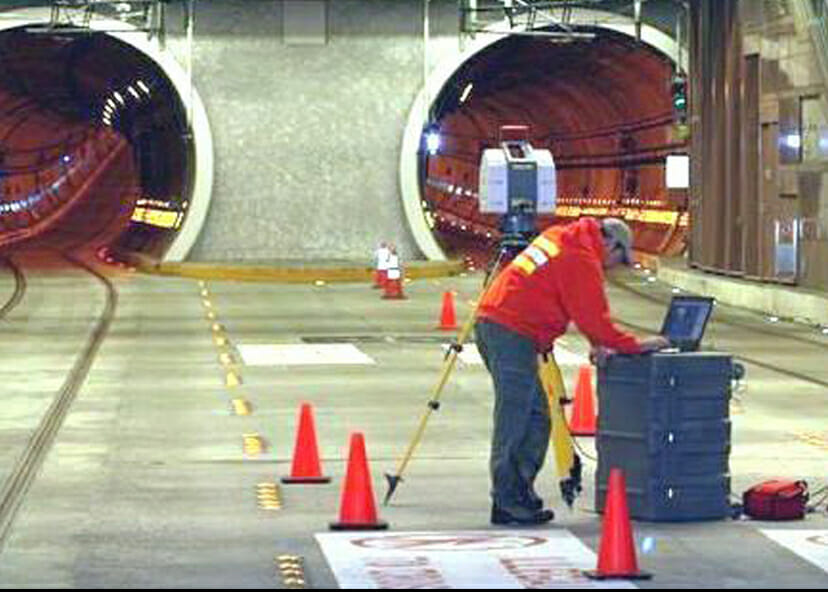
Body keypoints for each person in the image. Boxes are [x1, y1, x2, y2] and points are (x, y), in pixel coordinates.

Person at [474, 216, 669, 525]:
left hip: (501, 325)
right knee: (516, 418)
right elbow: (594, 318)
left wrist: (598, 342)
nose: (614, 266)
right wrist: (635, 345)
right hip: (510, 331)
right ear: (609, 242)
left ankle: (518, 493)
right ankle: (507, 500)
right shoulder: (580, 258)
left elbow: (575, 304)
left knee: (536, 416)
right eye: (619, 257)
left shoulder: (562, 237)